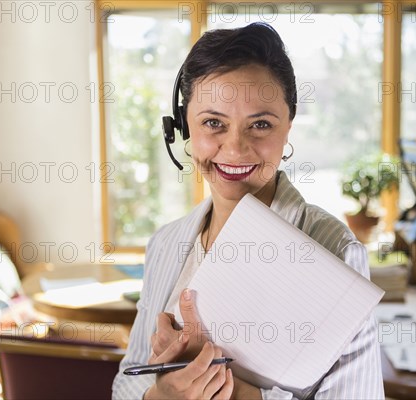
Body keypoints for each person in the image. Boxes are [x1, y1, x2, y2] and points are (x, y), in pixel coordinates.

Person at [112, 22, 384, 400]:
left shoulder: (335, 250)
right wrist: (159, 396)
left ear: (288, 126)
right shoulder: (165, 244)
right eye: (213, 123)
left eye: (260, 124)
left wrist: (241, 394)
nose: (236, 149)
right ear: (183, 127)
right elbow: (127, 379)